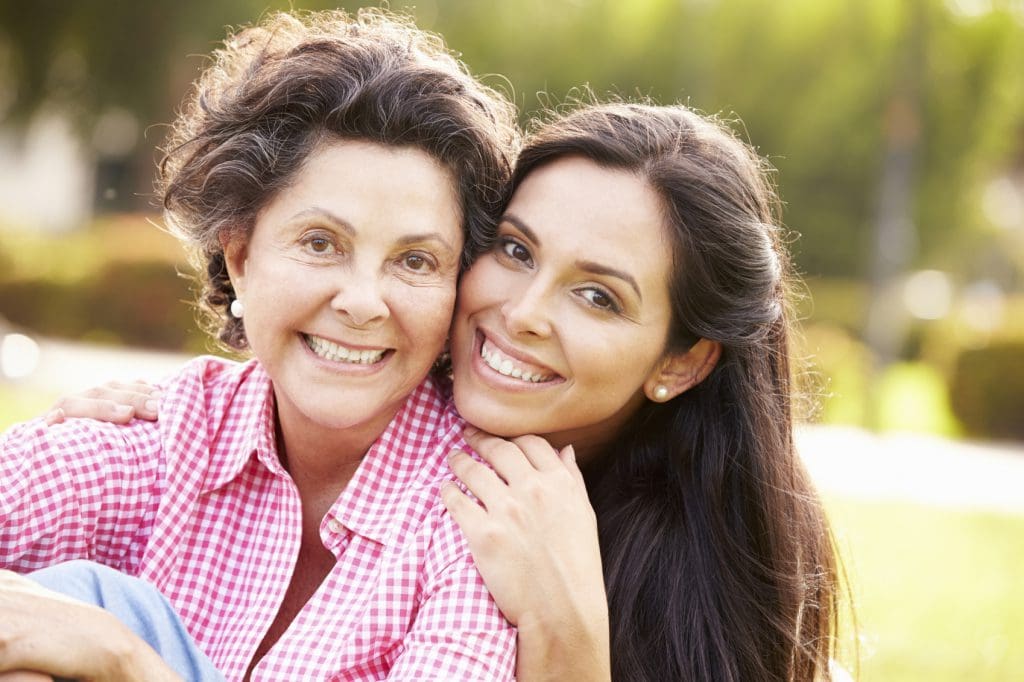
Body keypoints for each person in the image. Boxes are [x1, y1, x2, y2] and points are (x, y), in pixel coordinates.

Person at [23, 101, 848, 681]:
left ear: (681, 363)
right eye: (517, 251)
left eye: (598, 296)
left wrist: (569, 633)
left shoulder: (656, 571)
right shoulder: (226, 428)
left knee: (95, 609)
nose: (520, 313)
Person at [0, 8, 521, 681]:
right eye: (319, 243)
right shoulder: (168, 435)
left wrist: (125, 659)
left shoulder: (478, 511)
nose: (363, 302)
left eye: (416, 261)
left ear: (458, 286)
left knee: (92, 618)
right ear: (241, 256)